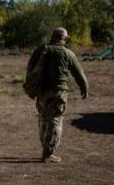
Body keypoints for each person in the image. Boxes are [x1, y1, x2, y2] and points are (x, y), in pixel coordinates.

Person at [26, 28, 89, 163]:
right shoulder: (68, 54)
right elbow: (79, 73)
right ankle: (48, 153)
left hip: (41, 91)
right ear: (64, 39)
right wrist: (84, 88)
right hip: (58, 92)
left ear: (52, 37)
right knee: (55, 119)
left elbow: (30, 67)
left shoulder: (42, 50)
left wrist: (30, 86)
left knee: (43, 118)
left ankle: (45, 146)